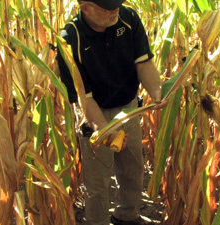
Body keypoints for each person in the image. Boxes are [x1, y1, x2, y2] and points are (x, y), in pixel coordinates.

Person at [56, 0, 167, 224]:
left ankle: (126, 216)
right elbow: (83, 99)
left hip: (128, 108)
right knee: (97, 182)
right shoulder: (69, 39)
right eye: (107, 8)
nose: (115, 9)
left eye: (116, 3)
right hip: (93, 111)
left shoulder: (129, 19)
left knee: (133, 169)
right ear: (85, 8)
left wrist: (157, 91)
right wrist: (105, 132)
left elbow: (144, 65)